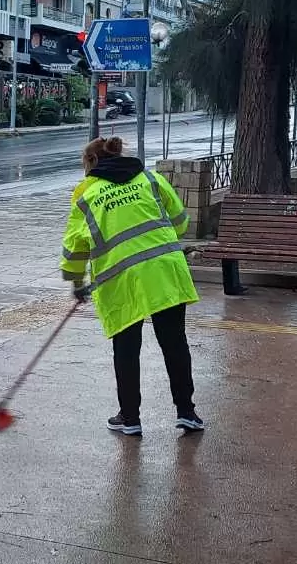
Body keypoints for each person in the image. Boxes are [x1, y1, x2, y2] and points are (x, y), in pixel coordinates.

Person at [61, 136, 202, 437]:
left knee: (126, 349)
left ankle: (130, 417)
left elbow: (75, 247)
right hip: (164, 269)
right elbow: (179, 220)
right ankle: (187, 412)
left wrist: (76, 282)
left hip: (120, 279)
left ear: (91, 163)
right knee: (174, 342)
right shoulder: (148, 178)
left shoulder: (85, 194)